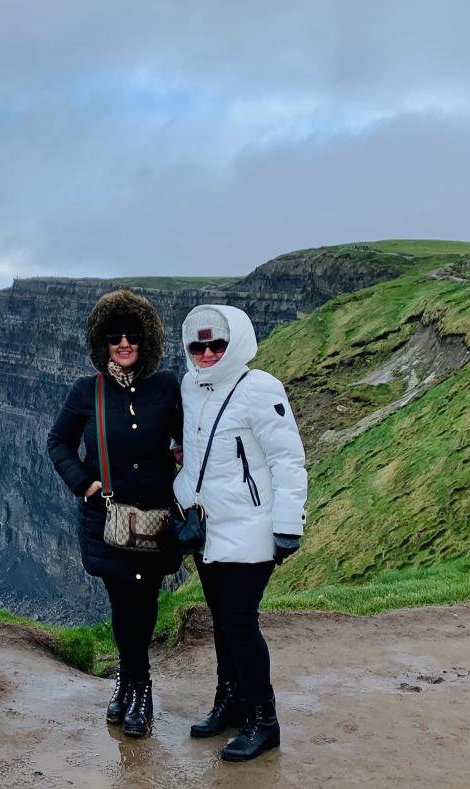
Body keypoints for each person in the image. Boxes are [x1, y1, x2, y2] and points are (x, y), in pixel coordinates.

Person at [47, 289, 183, 738]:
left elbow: (188, 438)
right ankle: (133, 683)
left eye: (132, 335)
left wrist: (183, 456)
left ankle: (135, 685)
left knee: (142, 603)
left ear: (146, 341)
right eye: (114, 336)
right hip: (106, 522)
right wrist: (82, 482)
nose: (123, 343)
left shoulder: (166, 387)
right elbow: (58, 442)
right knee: (123, 601)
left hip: (155, 520)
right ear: (101, 343)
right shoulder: (87, 391)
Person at [173, 304, 307, 762]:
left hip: (250, 527)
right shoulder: (191, 385)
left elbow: (287, 459)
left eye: (217, 344)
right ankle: (230, 703)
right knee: (221, 620)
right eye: (198, 345)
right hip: (207, 527)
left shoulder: (260, 388)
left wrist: (288, 526)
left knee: (238, 623)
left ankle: (263, 721)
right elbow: (194, 446)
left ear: (237, 343)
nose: (207, 353)